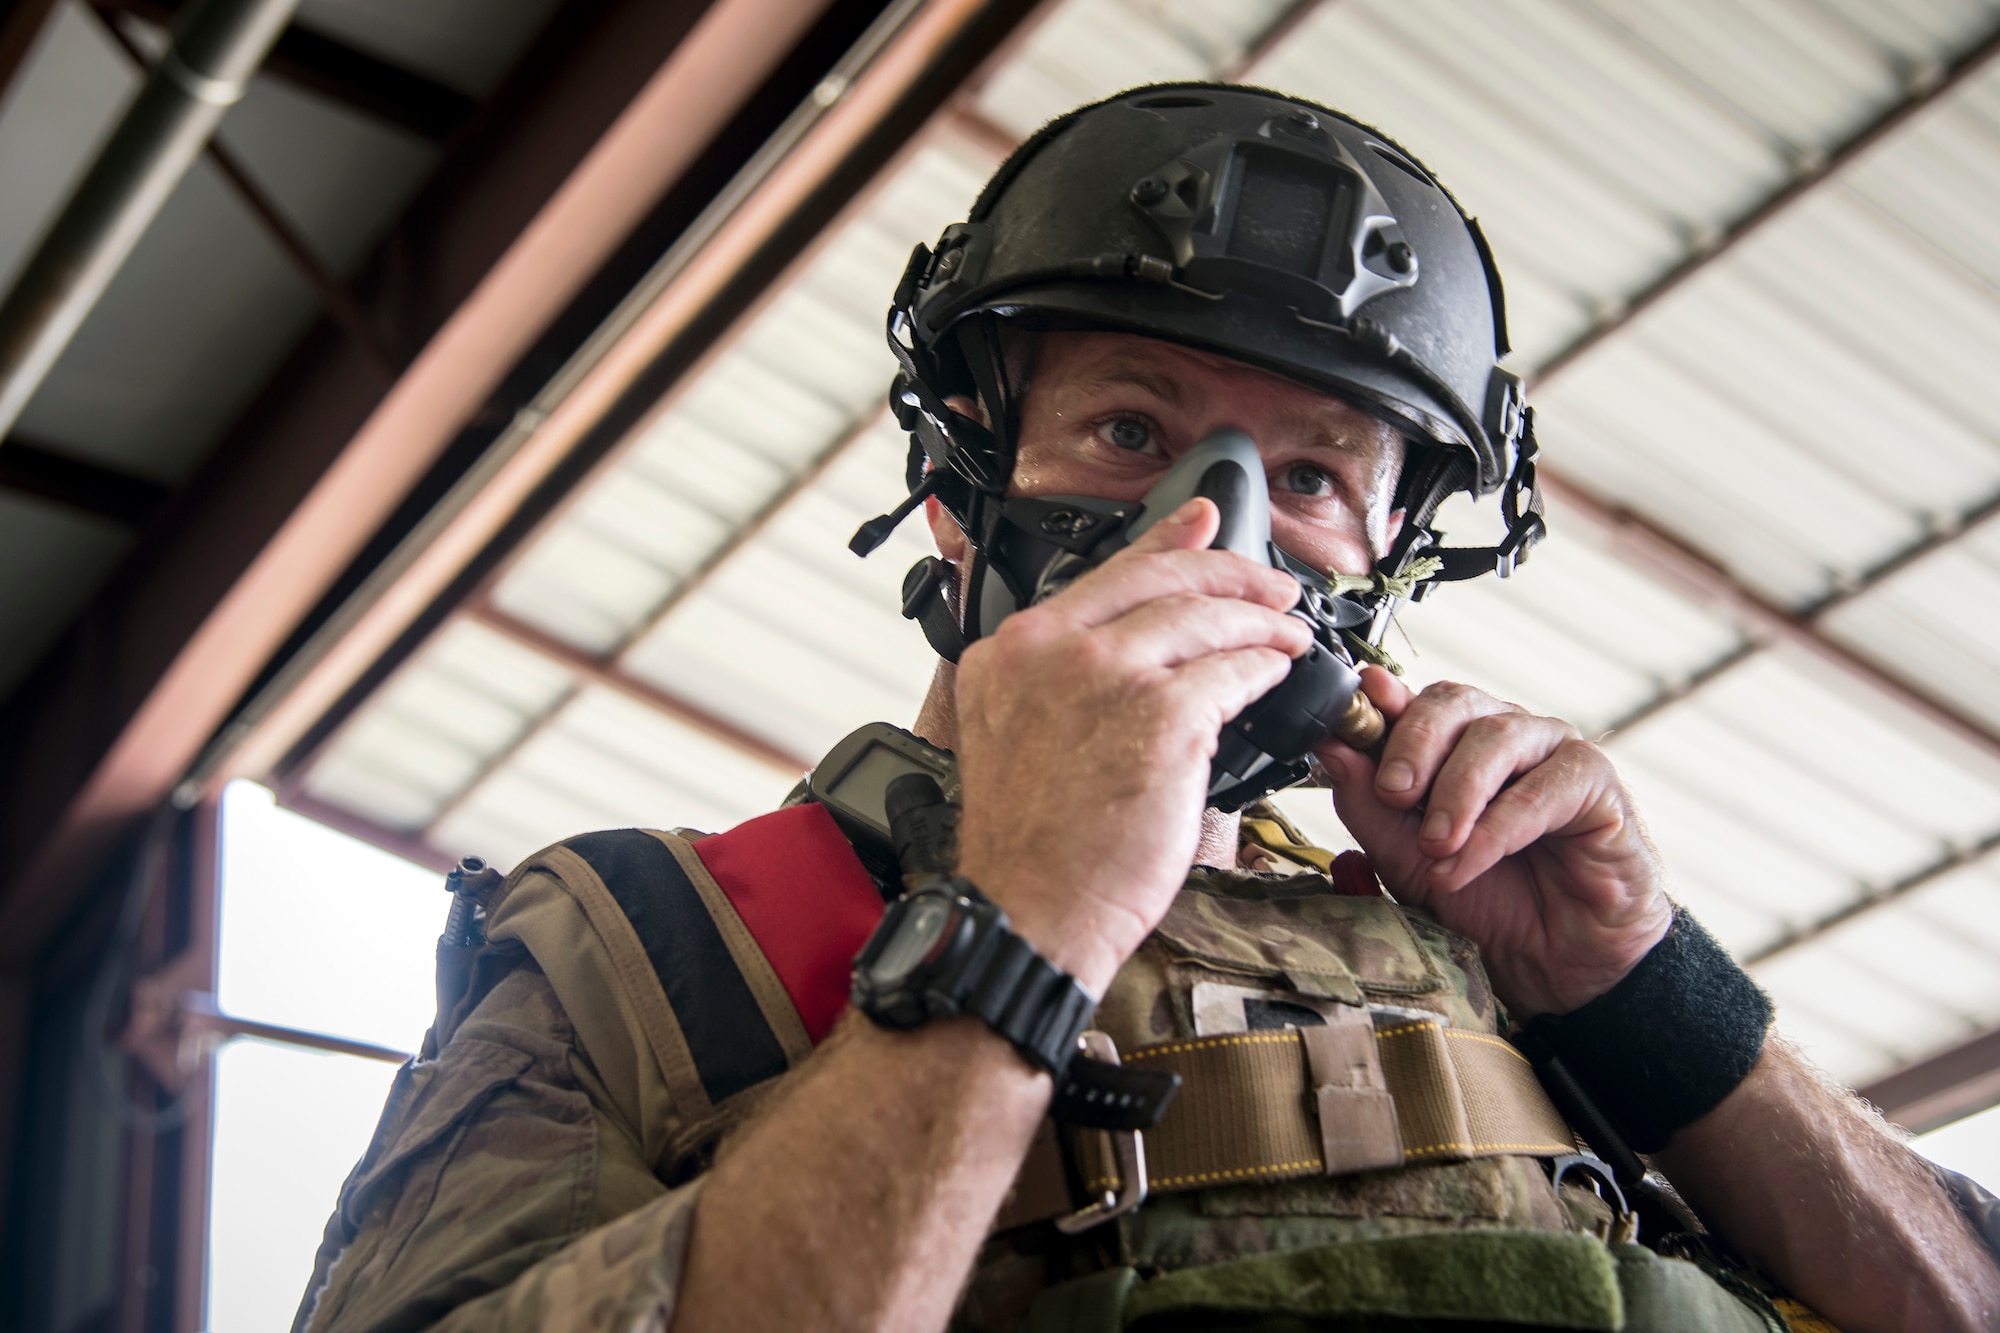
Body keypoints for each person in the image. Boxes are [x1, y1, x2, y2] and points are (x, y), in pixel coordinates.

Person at [293, 85, 2000, 1333]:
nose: (1216, 523)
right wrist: (1021, 923)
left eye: (1317, 472)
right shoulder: (661, 943)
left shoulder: (1505, 966)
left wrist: (1646, 995)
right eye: (1129, 428)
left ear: (1383, 565)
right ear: (957, 492)